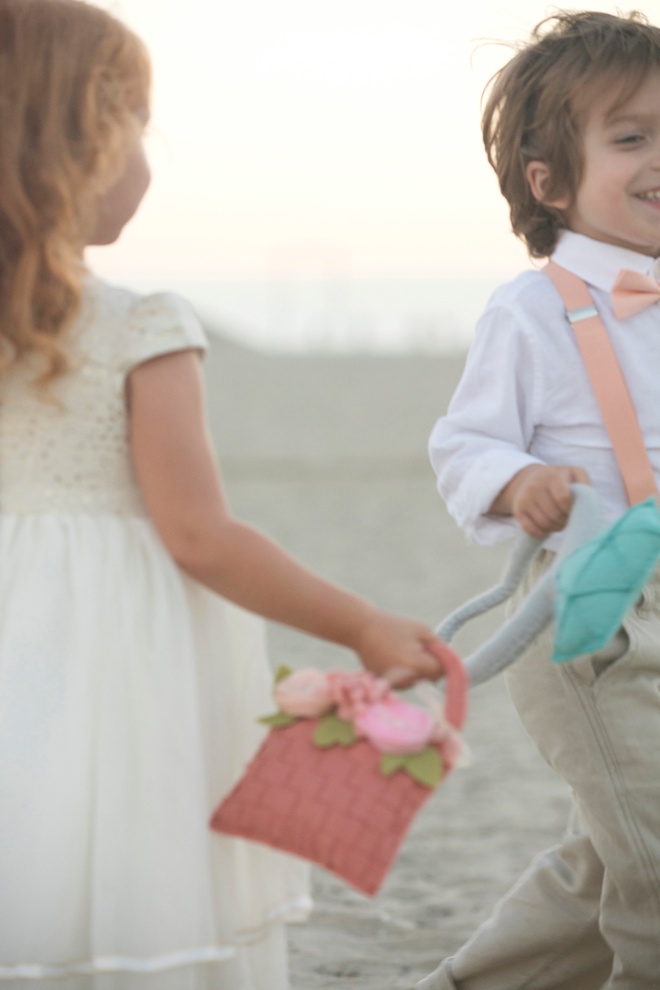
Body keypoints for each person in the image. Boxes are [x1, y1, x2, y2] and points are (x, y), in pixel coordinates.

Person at [0, 1, 451, 987]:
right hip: (116, 665)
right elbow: (200, 536)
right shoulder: (141, 324)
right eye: (141, 127)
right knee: (128, 870)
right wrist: (361, 621)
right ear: (86, 141)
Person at [419, 10, 660, 990]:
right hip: (592, 621)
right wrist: (522, 482)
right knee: (654, 856)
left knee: (613, 853)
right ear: (549, 184)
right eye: (632, 136)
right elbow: (464, 442)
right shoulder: (531, 308)